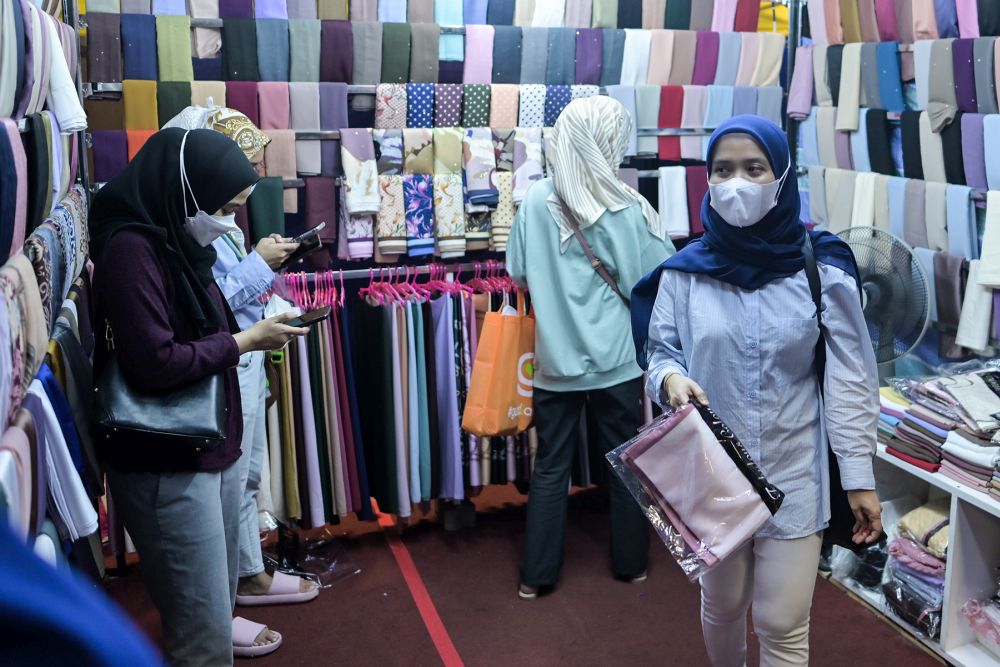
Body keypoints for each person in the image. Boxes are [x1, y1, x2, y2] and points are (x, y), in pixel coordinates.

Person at [630, 115, 883, 667]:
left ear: (782, 175)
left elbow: (850, 377)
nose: (736, 183)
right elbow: (660, 352)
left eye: (753, 168)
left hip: (797, 469)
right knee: (721, 604)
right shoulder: (684, 272)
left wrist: (858, 477)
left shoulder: (823, 267)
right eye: (722, 170)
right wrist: (670, 379)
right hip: (711, 471)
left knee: (782, 622)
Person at [89, 128, 309, 666]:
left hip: (197, 444)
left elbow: (197, 323)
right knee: (202, 632)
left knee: (208, 612)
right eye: (221, 207)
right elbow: (157, 362)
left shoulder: (175, 240)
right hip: (167, 458)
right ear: (185, 192)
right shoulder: (132, 250)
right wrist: (244, 341)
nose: (228, 221)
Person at [506, 96, 675, 600]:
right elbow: (656, 282)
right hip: (617, 361)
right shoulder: (628, 206)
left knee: (550, 464)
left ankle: (536, 577)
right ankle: (631, 563)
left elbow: (517, 271)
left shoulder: (535, 199)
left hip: (553, 362)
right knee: (625, 460)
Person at [164, 106, 320, 648]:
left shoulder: (218, 217)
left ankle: (247, 576)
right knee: (225, 487)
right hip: (224, 362)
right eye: (240, 166)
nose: (245, 184)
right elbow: (211, 307)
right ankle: (219, 606)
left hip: (242, 358)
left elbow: (234, 298)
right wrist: (259, 264)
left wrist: (274, 301)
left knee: (247, 478)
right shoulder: (185, 223)